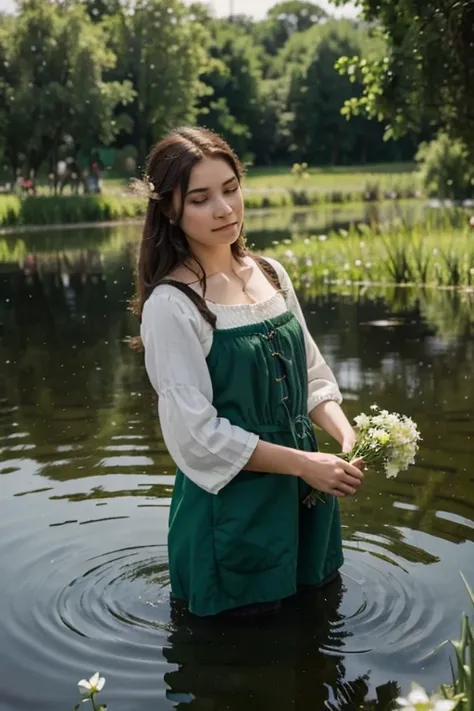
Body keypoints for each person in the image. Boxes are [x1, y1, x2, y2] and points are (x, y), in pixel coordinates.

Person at [135, 127, 364, 618]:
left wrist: (346, 437)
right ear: (170, 210)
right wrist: (306, 464)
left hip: (306, 495)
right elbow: (195, 436)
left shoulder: (272, 273)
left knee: (317, 630)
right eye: (201, 198)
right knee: (236, 660)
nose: (224, 209)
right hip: (231, 511)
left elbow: (314, 376)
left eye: (231, 188)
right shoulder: (171, 306)